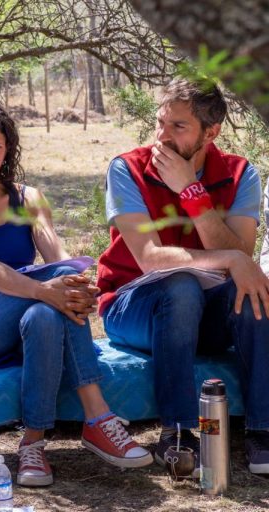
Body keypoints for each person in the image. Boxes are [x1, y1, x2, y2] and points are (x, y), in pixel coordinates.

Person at [0, 101, 152, 487]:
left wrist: (76, 288)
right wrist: (50, 288)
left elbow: (56, 255)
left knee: (47, 314)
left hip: (30, 305)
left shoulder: (28, 197)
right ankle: (98, 416)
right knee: (53, 293)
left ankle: (32, 444)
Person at [97, 78, 269, 475]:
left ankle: (262, 430)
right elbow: (151, 260)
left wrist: (191, 192)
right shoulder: (126, 169)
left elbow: (242, 259)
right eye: (160, 122)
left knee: (255, 288)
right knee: (180, 284)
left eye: (177, 126)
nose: (162, 135)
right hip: (132, 308)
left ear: (211, 133)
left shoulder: (241, 174)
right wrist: (227, 257)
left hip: (202, 311)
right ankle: (177, 433)